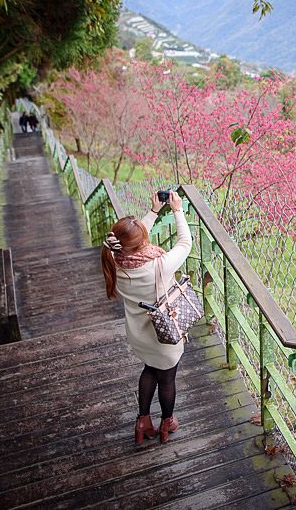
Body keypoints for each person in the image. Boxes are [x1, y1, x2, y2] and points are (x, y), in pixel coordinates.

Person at [100, 190, 193, 444]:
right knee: (167, 378)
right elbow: (185, 244)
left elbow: (129, 241)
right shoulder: (157, 265)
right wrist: (177, 210)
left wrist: (153, 212)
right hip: (163, 335)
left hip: (139, 335)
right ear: (141, 243)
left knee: (149, 368)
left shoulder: (113, 260)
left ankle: (143, 420)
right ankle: (167, 422)